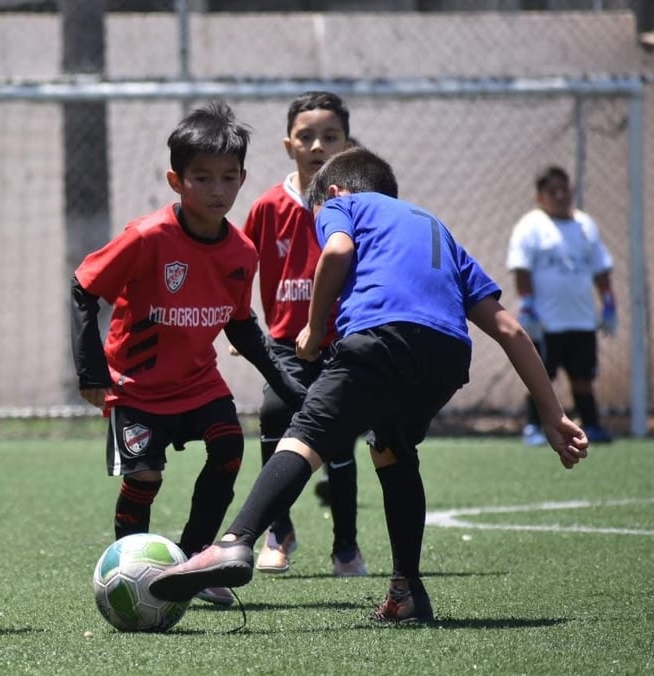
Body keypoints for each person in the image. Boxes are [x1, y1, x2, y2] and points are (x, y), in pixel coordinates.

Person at [149, 147, 589, 623]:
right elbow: (510, 329)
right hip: (446, 357)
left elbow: (337, 251)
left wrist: (315, 331)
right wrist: (553, 413)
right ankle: (407, 592)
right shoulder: (438, 231)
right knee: (392, 447)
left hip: (381, 338)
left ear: (336, 193)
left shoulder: (344, 203)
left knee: (307, 433)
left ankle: (235, 542)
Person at [71, 100, 306, 608]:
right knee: (145, 478)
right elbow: (83, 287)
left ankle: (197, 561)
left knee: (228, 448)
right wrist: (91, 369)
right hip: (137, 388)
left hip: (199, 384)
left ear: (242, 179)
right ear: (176, 181)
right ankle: (127, 572)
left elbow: (242, 327)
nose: (217, 190)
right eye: (202, 178)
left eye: (228, 177)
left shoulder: (242, 252)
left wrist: (288, 384)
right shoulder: (148, 236)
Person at [240, 91, 365, 577]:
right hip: (285, 341)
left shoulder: (356, 205)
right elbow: (238, 266)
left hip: (342, 341)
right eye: (307, 136)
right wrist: (238, 322)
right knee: (274, 414)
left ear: (346, 143)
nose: (318, 145)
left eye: (330, 136)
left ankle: (346, 548)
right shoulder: (269, 206)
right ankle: (279, 531)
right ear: (288, 144)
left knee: (340, 441)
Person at [506, 165, 616, 446]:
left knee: (583, 378)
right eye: (551, 191)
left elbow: (600, 269)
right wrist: (528, 305)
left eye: (563, 189)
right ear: (539, 197)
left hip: (581, 320)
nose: (559, 195)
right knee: (542, 377)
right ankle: (533, 427)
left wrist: (608, 303)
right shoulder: (530, 226)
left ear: (571, 190)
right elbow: (522, 269)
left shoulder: (585, 225)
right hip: (546, 322)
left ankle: (591, 425)